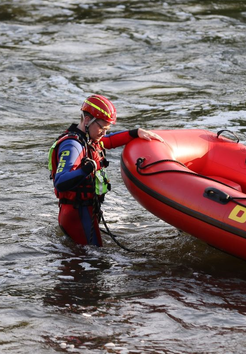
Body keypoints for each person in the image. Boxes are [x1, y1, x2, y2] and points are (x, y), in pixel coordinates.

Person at [48, 94, 162, 246]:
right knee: (95, 261)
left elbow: (109, 141)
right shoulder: (73, 145)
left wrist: (135, 132)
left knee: (88, 257)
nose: (104, 133)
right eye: (102, 128)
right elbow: (60, 182)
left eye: (107, 129)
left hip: (85, 211)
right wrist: (86, 169)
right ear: (88, 120)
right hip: (76, 214)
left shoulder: (89, 138)